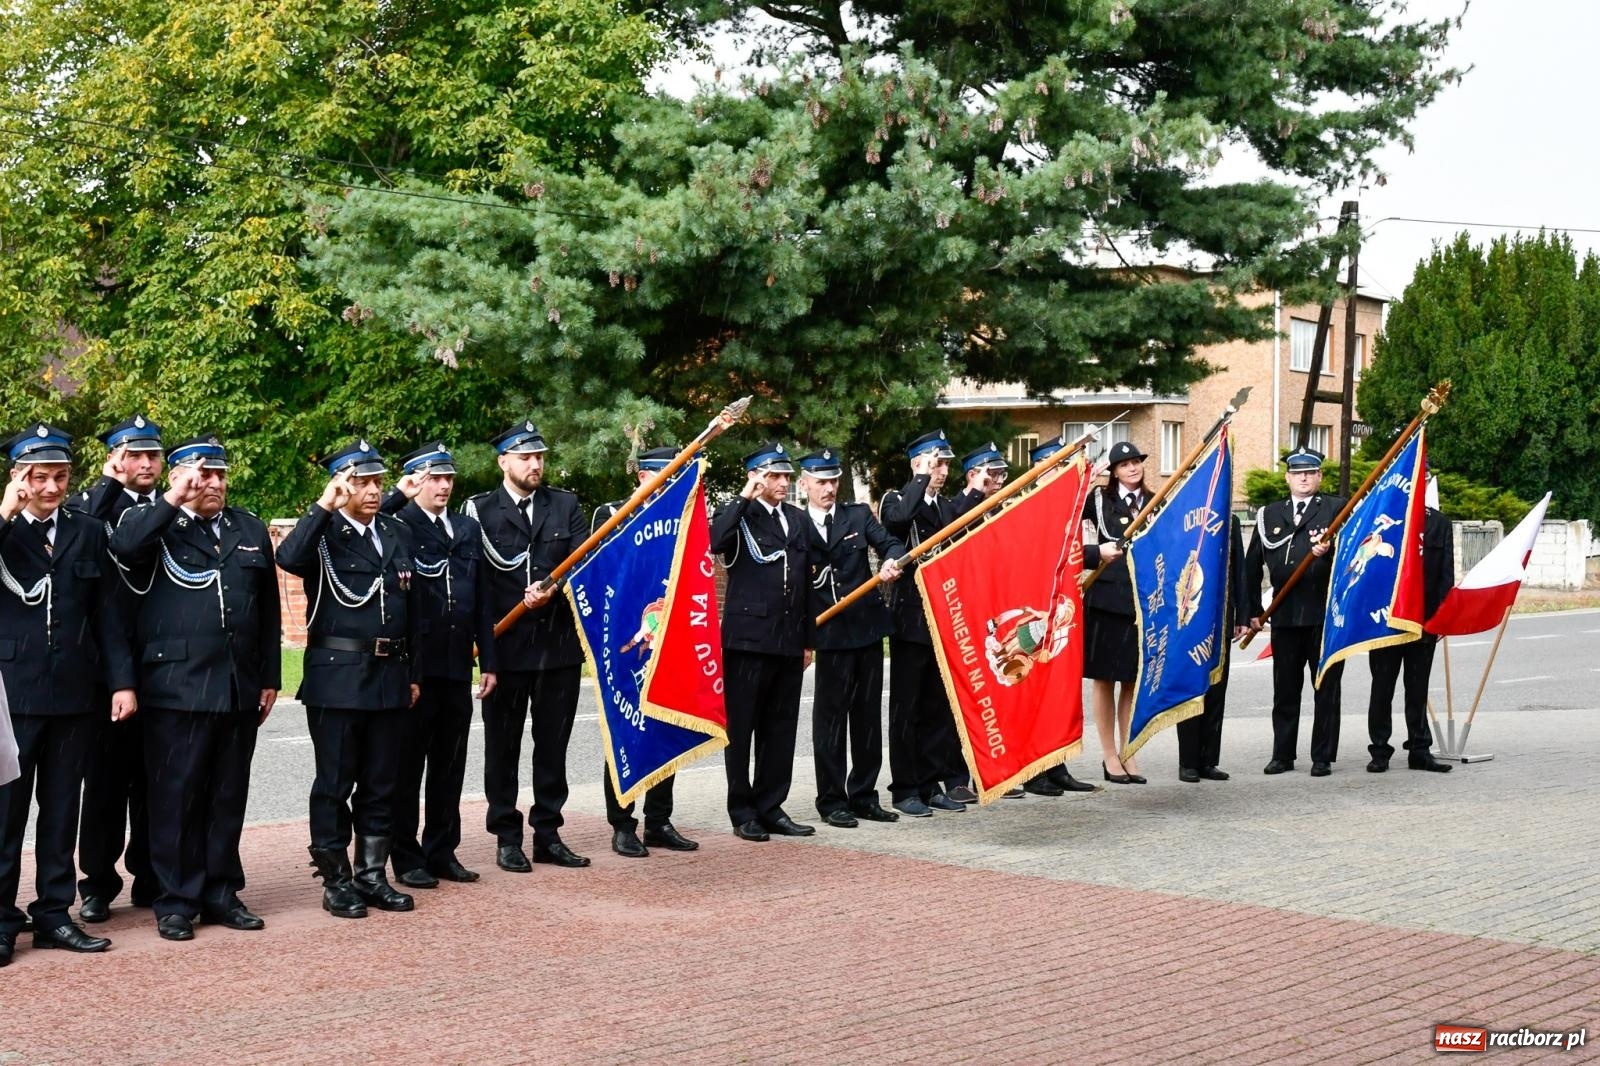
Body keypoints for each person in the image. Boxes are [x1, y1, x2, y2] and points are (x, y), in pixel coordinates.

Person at [104, 434, 281, 941]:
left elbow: (268, 609)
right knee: (176, 797)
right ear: (181, 477)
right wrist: (173, 499)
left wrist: (269, 676)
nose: (214, 484)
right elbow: (124, 547)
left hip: (237, 684)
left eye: (221, 474)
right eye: (204, 475)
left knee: (228, 794)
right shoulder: (155, 523)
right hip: (177, 685)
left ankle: (221, 891)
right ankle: (176, 900)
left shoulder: (247, 527)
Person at [276, 440, 421, 918]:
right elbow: (289, 558)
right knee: (334, 783)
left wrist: (413, 672)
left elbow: (413, 610)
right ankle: (336, 880)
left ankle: (372, 875)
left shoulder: (396, 532)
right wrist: (325, 505)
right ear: (341, 485)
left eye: (378, 482)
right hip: (337, 678)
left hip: (390, 674)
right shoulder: (322, 533)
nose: (373, 490)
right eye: (361, 483)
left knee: (382, 782)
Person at [0, 424, 122, 964]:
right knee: (6, 815)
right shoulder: (4, 526)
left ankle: (53, 914)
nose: (51, 487)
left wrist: (121, 682)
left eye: (61, 477)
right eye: (39, 477)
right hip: (13, 696)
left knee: (61, 812)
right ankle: (2, 919)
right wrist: (4, 513)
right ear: (17, 477)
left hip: (75, 693)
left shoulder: (86, 530)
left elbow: (107, 614)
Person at [467, 420, 591, 870]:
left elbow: (582, 561)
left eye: (539, 456)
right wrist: (483, 648)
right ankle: (506, 835)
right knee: (502, 748)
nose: (535, 464)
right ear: (504, 462)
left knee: (552, 746)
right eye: (525, 457)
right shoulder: (479, 511)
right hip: (506, 648)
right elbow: (474, 581)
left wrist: (554, 587)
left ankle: (548, 833)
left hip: (557, 648)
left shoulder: (565, 504)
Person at [379, 442, 498, 887]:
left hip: (456, 662)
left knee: (449, 765)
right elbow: (367, 521)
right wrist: (398, 493)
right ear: (416, 481)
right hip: (417, 666)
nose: (443, 485)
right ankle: (405, 856)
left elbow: (482, 599)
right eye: (434, 478)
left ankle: (442, 850)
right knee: (408, 767)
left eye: (448, 477)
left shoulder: (467, 528)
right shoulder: (398, 524)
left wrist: (488, 659)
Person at [67, 414, 164, 925]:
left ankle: (150, 874)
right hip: (105, 670)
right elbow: (80, 525)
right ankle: (98, 883)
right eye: (134, 455)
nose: (145, 463)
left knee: (156, 781)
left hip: (163, 664)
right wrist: (109, 482)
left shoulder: (174, 508)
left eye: (152, 454)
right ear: (115, 459)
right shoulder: (94, 505)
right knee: (104, 784)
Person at [591, 445, 699, 857]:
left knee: (665, 726)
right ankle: (622, 823)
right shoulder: (613, 514)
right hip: (627, 640)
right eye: (668, 475)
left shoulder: (683, 516)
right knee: (626, 729)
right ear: (643, 477)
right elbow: (601, 575)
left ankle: (659, 820)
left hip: (670, 637)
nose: (674, 484)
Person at [710, 441, 814, 841]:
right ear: (756, 476)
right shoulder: (739, 514)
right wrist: (744, 497)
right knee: (742, 728)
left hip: (788, 639)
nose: (783, 482)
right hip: (748, 641)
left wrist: (808, 640)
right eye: (774, 476)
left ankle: (772, 805)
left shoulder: (797, 519)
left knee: (780, 728)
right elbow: (715, 542)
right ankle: (742, 811)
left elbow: (805, 581)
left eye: (786, 475)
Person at [798, 448, 904, 829]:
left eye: (833, 481)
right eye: (820, 482)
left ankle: (864, 795)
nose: (828, 488)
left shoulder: (857, 515)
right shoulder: (796, 524)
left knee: (867, 718)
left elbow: (891, 544)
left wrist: (891, 560)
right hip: (828, 636)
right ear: (804, 484)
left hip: (867, 630)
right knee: (830, 721)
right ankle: (831, 800)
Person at [879, 429, 968, 816]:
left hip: (941, 617)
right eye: (936, 463)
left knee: (936, 707)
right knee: (907, 707)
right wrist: (919, 477)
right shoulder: (896, 498)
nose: (942, 471)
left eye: (945, 464)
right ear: (917, 463)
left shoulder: (945, 507)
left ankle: (931, 783)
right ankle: (905, 788)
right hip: (910, 618)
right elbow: (898, 522)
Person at [1244, 447, 1345, 777]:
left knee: (1326, 689)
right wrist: (1252, 611)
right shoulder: (1270, 514)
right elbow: (1251, 566)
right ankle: (1282, 754)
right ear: (1288, 478)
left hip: (1324, 615)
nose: (1304, 478)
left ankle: (1322, 756)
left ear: (1320, 477)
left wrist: (1330, 552)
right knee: (1285, 690)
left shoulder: (1337, 509)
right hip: (1284, 615)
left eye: (1310, 472)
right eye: (1298, 473)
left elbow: (1355, 557)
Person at [1367, 478, 1455, 774]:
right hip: (1385, 621)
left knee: (1417, 690)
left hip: (1422, 622)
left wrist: (1440, 618)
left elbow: (1445, 575)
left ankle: (1419, 750)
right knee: (1382, 688)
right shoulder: (1381, 521)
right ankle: (1380, 750)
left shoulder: (1439, 523)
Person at [1081, 440, 1151, 785]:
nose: (1132, 468)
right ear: (1113, 471)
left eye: (1136, 461)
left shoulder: (1154, 500)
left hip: (1141, 600)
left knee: (1132, 681)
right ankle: (1109, 755)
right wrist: (1085, 478)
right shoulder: (1099, 498)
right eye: (1124, 464)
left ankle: (1128, 750)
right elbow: (1066, 518)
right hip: (1106, 598)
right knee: (1105, 679)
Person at [1175, 515, 1250, 783]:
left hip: (1221, 614)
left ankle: (1208, 760)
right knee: (1190, 689)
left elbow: (1239, 569)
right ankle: (1188, 762)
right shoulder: (1180, 514)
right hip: (1189, 617)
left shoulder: (1231, 520)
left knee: (1216, 690)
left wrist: (1242, 614)